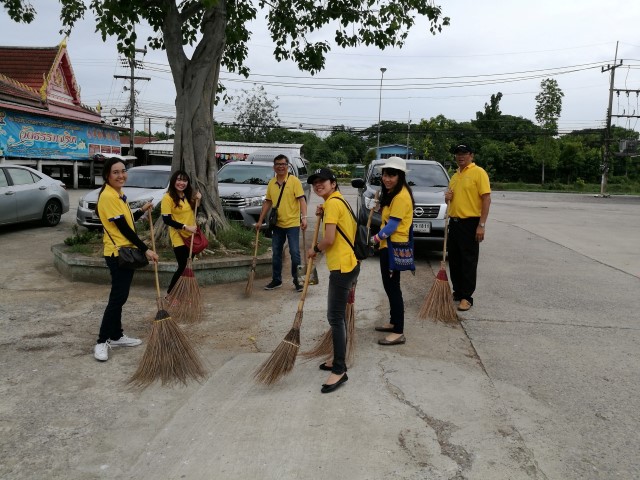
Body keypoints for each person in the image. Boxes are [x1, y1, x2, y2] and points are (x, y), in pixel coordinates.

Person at [94, 158, 159, 362]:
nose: (121, 175)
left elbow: (126, 221)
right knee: (117, 298)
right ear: (107, 175)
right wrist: (146, 249)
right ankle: (102, 341)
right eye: (116, 172)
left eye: (123, 171)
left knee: (120, 297)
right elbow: (123, 229)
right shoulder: (108, 196)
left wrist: (141, 211)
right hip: (117, 254)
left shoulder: (118, 194)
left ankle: (116, 336)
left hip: (124, 252)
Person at [306, 167, 360, 394]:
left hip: (341, 267)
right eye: (315, 182)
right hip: (350, 264)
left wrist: (315, 250)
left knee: (335, 317)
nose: (318, 185)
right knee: (338, 316)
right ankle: (337, 359)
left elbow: (328, 239)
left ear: (334, 183)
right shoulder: (338, 201)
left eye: (323, 181)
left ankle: (339, 369)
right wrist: (324, 209)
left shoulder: (333, 205)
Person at [369, 156, 415, 346]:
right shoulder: (393, 193)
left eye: (392, 175)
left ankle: (398, 331)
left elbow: (392, 225)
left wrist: (374, 239)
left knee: (393, 288)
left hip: (393, 247)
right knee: (390, 286)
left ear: (400, 176)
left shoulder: (401, 196)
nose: (387, 179)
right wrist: (376, 207)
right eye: (385, 175)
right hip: (388, 245)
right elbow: (388, 217)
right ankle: (393, 321)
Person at [445, 144, 491, 311]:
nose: (460, 156)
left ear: (471, 155)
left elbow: (486, 199)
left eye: (464, 153)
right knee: (454, 260)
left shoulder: (479, 172)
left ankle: (467, 297)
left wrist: (481, 225)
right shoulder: (454, 176)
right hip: (454, 222)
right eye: (458, 153)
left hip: (470, 223)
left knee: (468, 261)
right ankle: (457, 292)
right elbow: (451, 200)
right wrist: (447, 197)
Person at [256, 154, 308, 292]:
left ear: (287, 166)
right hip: (277, 224)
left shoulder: (294, 181)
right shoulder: (271, 183)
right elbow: (268, 202)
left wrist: (304, 217)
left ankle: (298, 281)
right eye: (278, 164)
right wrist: (260, 221)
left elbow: (302, 200)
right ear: (274, 167)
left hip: (293, 224)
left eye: (283, 164)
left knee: (295, 253)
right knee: (276, 253)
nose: (280, 167)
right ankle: (276, 280)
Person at [161, 170, 202, 295]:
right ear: (173, 181)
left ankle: (183, 293)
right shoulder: (167, 197)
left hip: (192, 236)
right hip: (179, 236)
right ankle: (170, 294)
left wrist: (198, 200)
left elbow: (194, 210)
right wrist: (185, 227)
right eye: (179, 180)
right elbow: (166, 220)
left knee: (188, 266)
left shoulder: (187, 195)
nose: (181, 183)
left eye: (184, 180)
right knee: (183, 266)